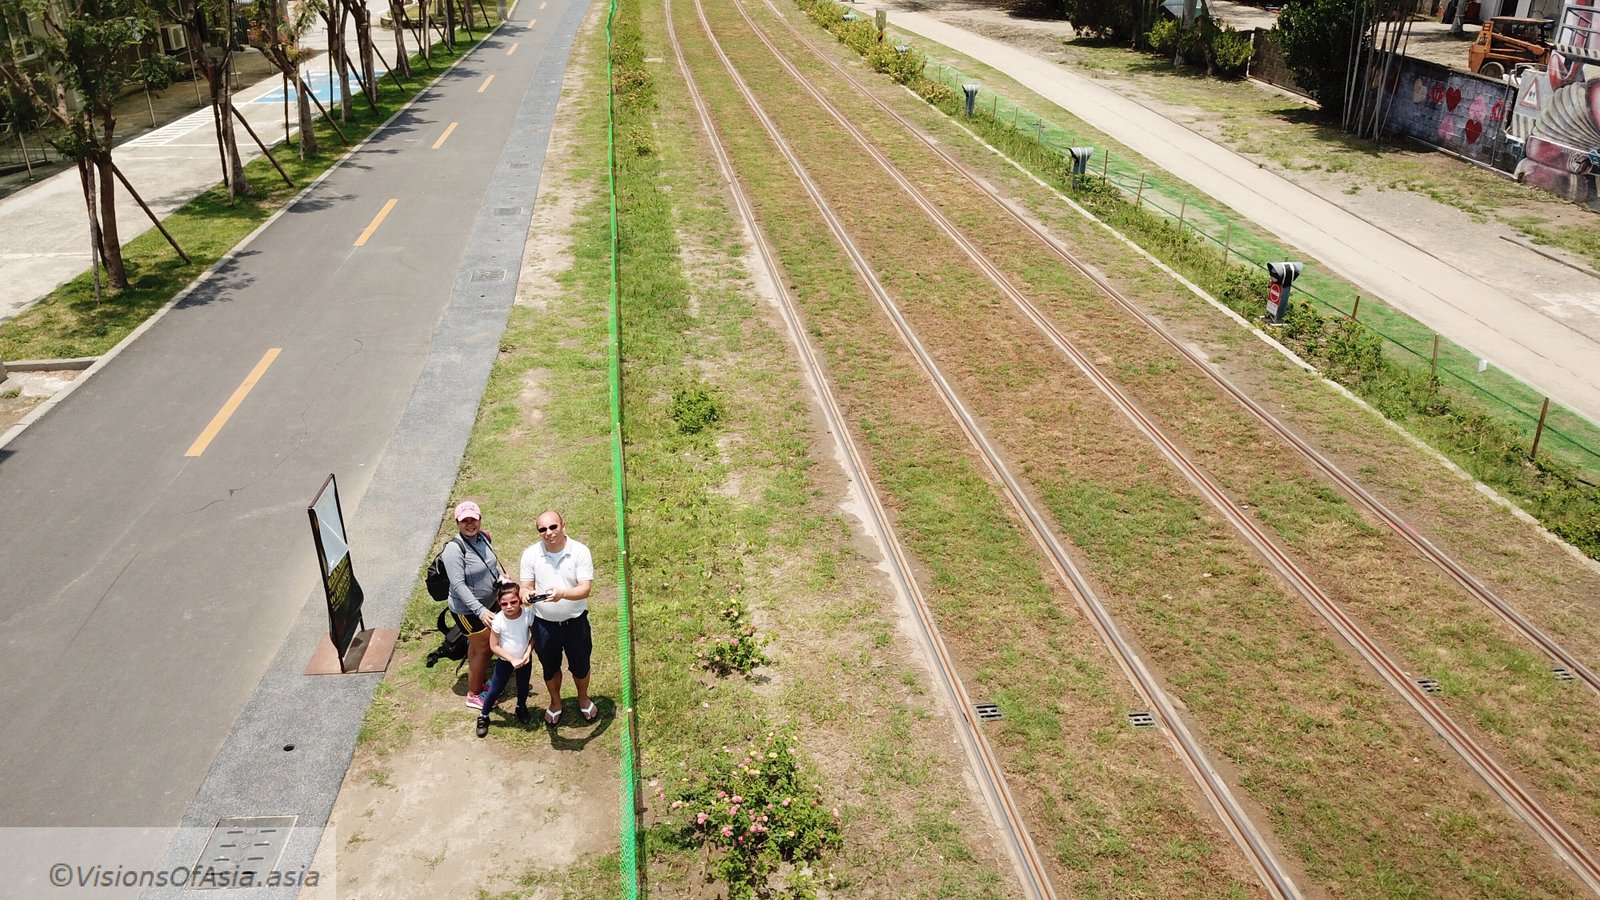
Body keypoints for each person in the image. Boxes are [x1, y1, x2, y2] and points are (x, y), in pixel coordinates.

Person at [519, 510, 596, 725]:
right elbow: (525, 586)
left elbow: (585, 589)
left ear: (563, 526)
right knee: (550, 668)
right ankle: (555, 702)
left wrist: (562, 593)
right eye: (542, 529)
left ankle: (583, 698)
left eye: (553, 527)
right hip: (544, 625)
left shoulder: (580, 551)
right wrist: (525, 595)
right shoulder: (530, 554)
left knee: (581, 666)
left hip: (575, 623)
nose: (549, 533)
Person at [443, 500, 507, 710]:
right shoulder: (453, 549)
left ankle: (478, 682)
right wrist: (479, 610)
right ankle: (474, 693)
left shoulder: (484, 537)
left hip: (487, 605)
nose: (470, 524)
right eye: (465, 521)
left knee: (478, 646)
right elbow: (458, 584)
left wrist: (501, 577)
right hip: (467, 611)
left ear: (480, 519)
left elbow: (491, 563)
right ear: (458, 523)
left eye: (473, 519)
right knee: (486, 648)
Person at [478, 581, 534, 737]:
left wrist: (527, 653)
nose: (509, 606)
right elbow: (494, 646)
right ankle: (484, 715)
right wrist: (511, 659)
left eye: (513, 602)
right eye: (504, 604)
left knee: (523, 686)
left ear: (520, 600)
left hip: (524, 660)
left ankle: (521, 707)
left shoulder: (528, 615)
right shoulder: (498, 621)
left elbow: (534, 636)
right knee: (496, 688)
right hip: (505, 661)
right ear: (499, 603)